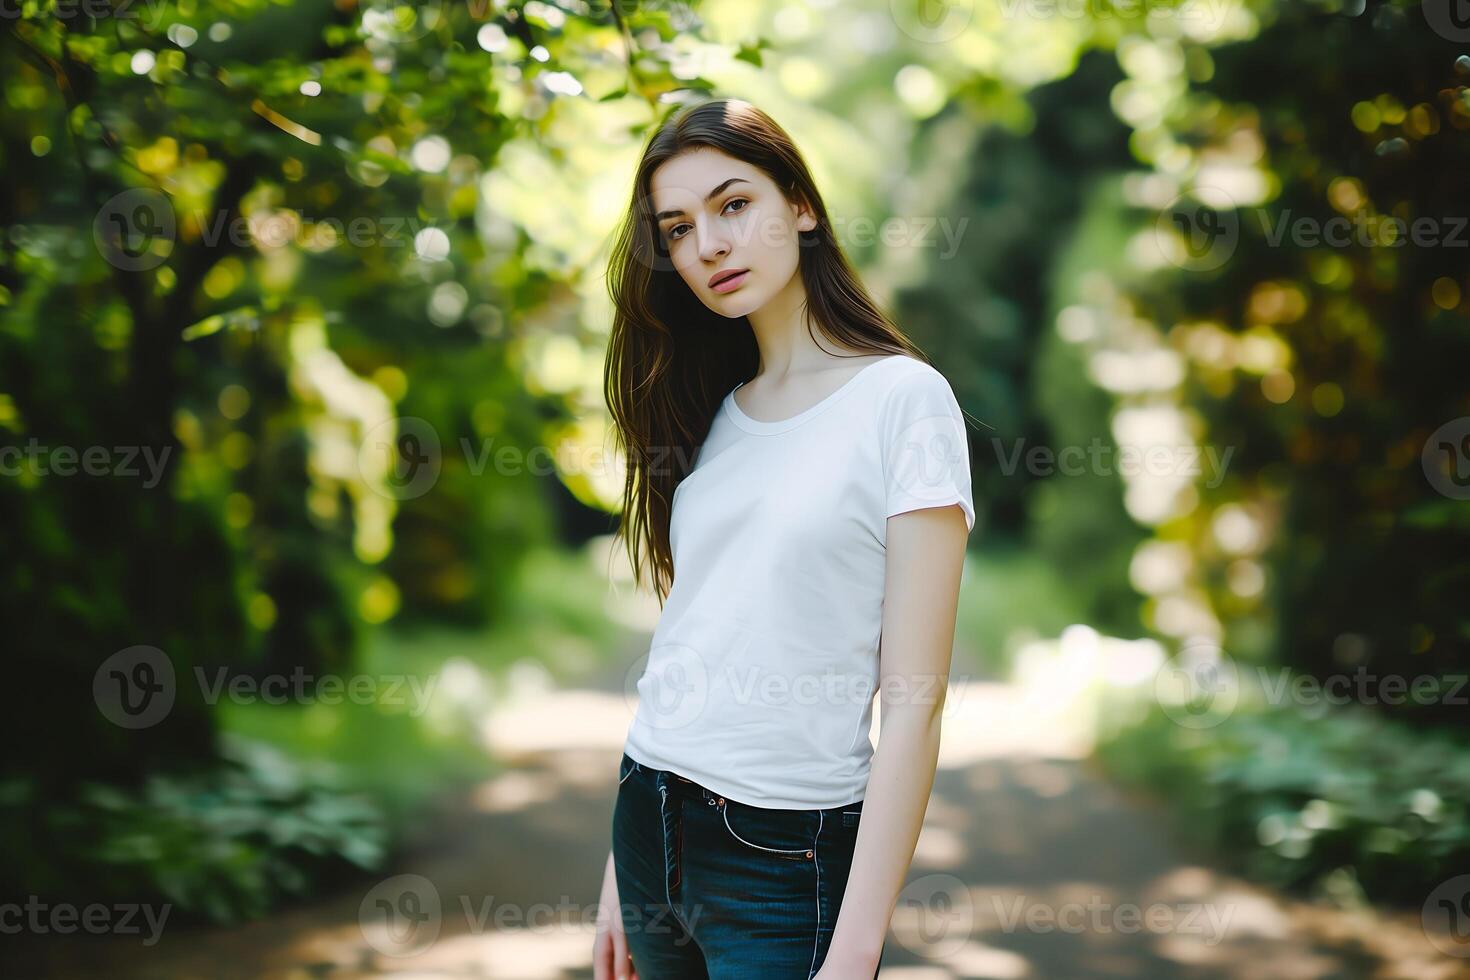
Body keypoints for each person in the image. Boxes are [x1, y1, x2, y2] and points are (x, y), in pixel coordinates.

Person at [592, 98, 975, 980]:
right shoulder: (714, 411)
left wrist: (856, 947)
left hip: (783, 855)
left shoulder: (903, 403)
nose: (710, 246)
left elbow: (913, 702)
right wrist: (622, 866)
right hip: (648, 815)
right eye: (678, 229)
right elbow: (695, 633)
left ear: (800, 205)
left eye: (734, 205)